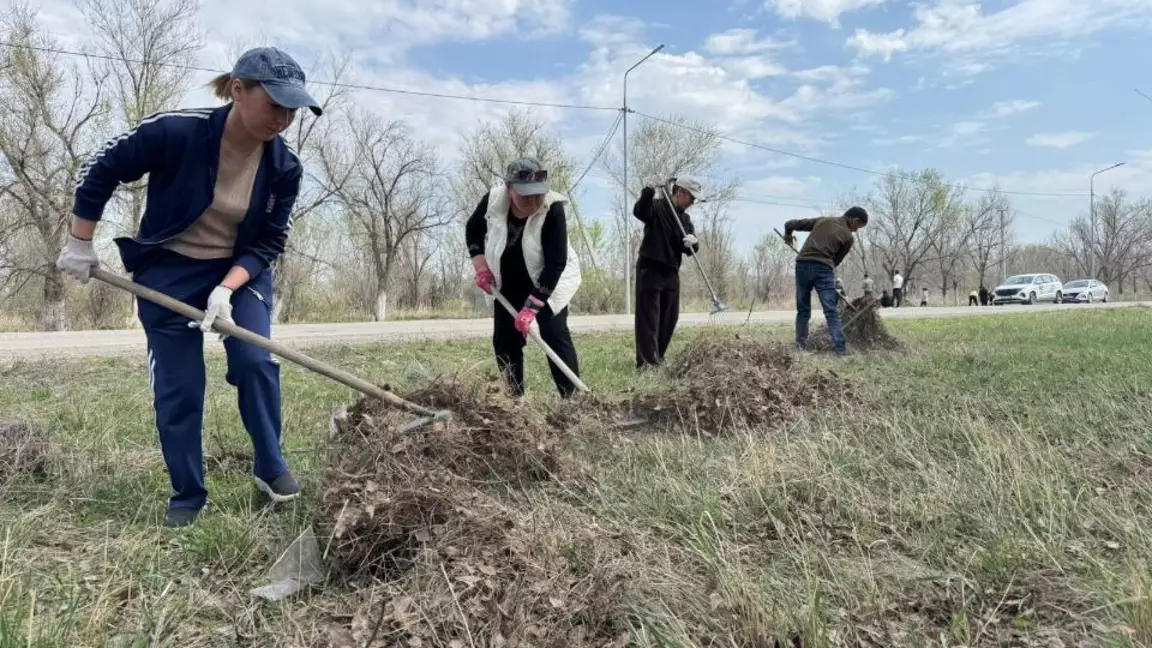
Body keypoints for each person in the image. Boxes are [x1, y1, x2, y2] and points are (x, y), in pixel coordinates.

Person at [55, 47, 323, 528]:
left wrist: (226, 289)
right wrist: (80, 243)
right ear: (238, 90)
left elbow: (269, 241)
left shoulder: (285, 167)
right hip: (169, 268)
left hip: (239, 272)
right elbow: (100, 169)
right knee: (180, 386)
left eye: (291, 110)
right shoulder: (176, 131)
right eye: (274, 105)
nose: (283, 119)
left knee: (255, 359)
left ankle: (270, 467)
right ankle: (187, 493)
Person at [466, 157, 582, 399]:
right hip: (507, 280)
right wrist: (480, 265)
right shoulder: (493, 200)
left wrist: (531, 308)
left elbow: (555, 264)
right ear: (509, 188)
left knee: (554, 333)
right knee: (505, 340)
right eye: (525, 195)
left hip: (548, 281)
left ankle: (572, 399)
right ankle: (514, 399)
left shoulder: (553, 208)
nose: (533, 201)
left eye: (537, 194)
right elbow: (473, 229)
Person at [631, 176, 702, 370]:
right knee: (649, 317)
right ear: (681, 193)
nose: (692, 203)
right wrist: (647, 191)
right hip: (650, 267)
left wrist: (693, 243)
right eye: (692, 198)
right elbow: (640, 212)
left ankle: (658, 356)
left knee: (670, 316)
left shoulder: (684, 219)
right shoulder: (657, 207)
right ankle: (646, 362)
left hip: (670, 271)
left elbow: (689, 249)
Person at [783, 206, 869, 356]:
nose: (856, 230)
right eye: (858, 226)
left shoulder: (822, 221)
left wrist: (788, 236)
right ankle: (840, 351)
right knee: (831, 311)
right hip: (823, 269)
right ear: (854, 220)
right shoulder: (848, 237)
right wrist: (824, 273)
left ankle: (800, 347)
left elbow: (790, 224)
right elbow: (835, 262)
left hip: (802, 265)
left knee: (803, 310)